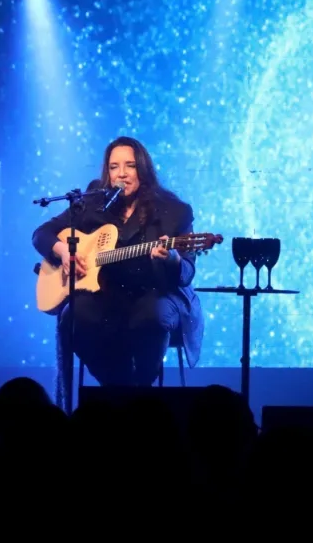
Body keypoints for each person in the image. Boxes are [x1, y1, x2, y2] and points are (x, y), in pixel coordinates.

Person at [32, 136, 204, 387]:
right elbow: (41, 234)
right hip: (106, 295)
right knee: (74, 316)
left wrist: (173, 258)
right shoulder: (93, 202)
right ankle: (116, 387)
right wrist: (62, 251)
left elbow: (187, 272)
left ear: (143, 169)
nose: (121, 174)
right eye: (114, 167)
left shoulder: (174, 210)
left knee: (150, 316)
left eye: (130, 166)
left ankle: (141, 389)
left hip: (155, 294)